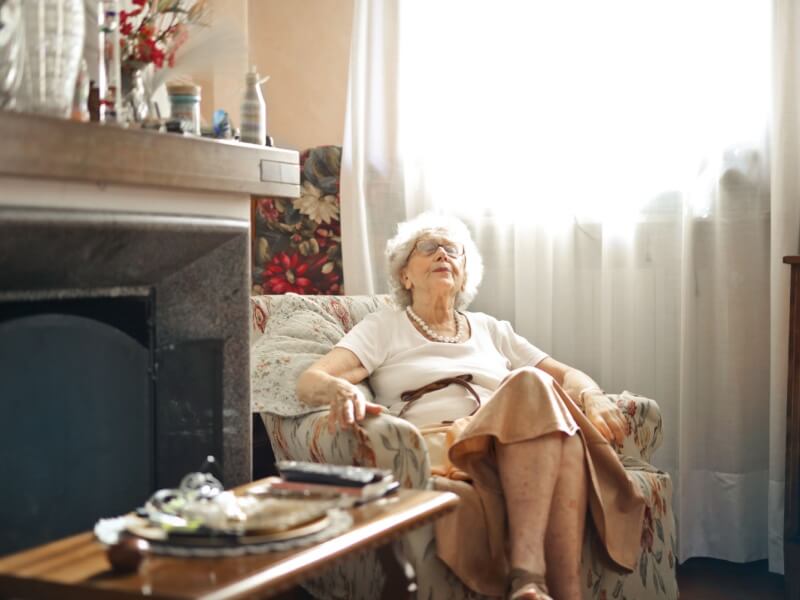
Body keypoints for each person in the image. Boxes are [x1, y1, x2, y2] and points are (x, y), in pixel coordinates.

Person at [297, 213, 645, 600]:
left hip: (511, 448)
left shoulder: (491, 329)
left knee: (550, 415)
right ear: (405, 275)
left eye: (453, 250)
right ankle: (531, 579)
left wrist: (592, 396)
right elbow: (310, 380)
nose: (442, 254)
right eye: (428, 247)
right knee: (534, 388)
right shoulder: (385, 326)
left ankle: (538, 588)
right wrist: (339, 391)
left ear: (464, 275)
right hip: (442, 445)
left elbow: (570, 377)